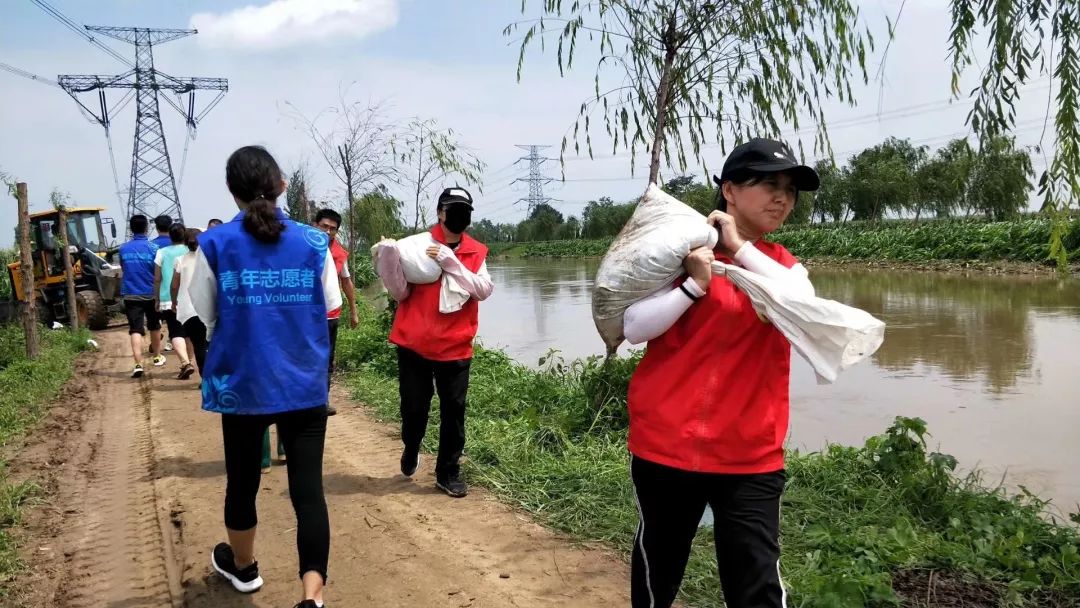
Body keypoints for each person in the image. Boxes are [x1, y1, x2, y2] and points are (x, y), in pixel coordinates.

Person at [620, 138, 820, 608]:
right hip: (667, 445)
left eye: (790, 189)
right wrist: (693, 285)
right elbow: (633, 327)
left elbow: (804, 310)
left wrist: (741, 248)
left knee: (756, 585)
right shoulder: (676, 252)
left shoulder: (785, 269)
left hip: (749, 455)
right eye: (768, 184)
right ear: (729, 190)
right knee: (657, 572)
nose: (782, 198)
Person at [189, 145, 340, 608]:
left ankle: (245, 569)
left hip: (242, 385)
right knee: (309, 492)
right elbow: (329, 306)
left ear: (232, 192)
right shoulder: (316, 243)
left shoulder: (213, 245)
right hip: (303, 384)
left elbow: (206, 314)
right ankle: (312, 597)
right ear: (282, 186)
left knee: (242, 481)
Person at [376, 186, 493, 498]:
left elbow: (483, 290)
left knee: (454, 410)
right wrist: (388, 260)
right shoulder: (415, 248)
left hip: (455, 346)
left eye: (465, 209)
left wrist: (451, 262)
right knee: (414, 407)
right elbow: (399, 292)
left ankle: (448, 472)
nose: (459, 214)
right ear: (440, 212)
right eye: (453, 208)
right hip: (414, 344)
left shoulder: (476, 252)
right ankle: (411, 445)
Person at [118, 214, 165, 378]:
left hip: (131, 294)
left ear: (131, 229)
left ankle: (138, 364)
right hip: (151, 294)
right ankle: (157, 356)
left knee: (135, 330)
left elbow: (124, 269)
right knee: (154, 326)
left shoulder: (123, 249)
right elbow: (158, 272)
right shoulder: (154, 248)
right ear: (146, 228)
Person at [155, 223, 195, 379]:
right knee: (190, 333)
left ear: (169, 236)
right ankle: (190, 361)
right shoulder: (190, 251)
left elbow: (157, 278)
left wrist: (157, 298)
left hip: (168, 298)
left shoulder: (161, 252)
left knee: (176, 331)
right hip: (190, 298)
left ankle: (185, 363)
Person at [171, 227, 205, 377]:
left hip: (189, 309)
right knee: (213, 345)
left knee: (199, 345)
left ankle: (205, 379)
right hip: (209, 307)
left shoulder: (180, 260)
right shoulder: (210, 258)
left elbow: (174, 285)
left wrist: (173, 302)